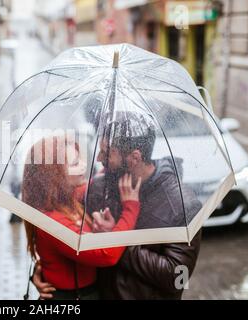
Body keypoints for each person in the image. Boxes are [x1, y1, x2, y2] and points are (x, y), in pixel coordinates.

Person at [33, 112, 202, 300]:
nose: (98, 158)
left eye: (107, 152)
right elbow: (65, 238)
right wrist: (45, 269)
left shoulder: (182, 205)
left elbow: (178, 277)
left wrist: (115, 238)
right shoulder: (99, 187)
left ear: (134, 158)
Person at [22, 135, 142, 300]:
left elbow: (97, 181)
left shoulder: (69, 198)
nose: (84, 166)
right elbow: (108, 255)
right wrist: (130, 208)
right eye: (75, 164)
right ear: (53, 175)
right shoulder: (50, 221)